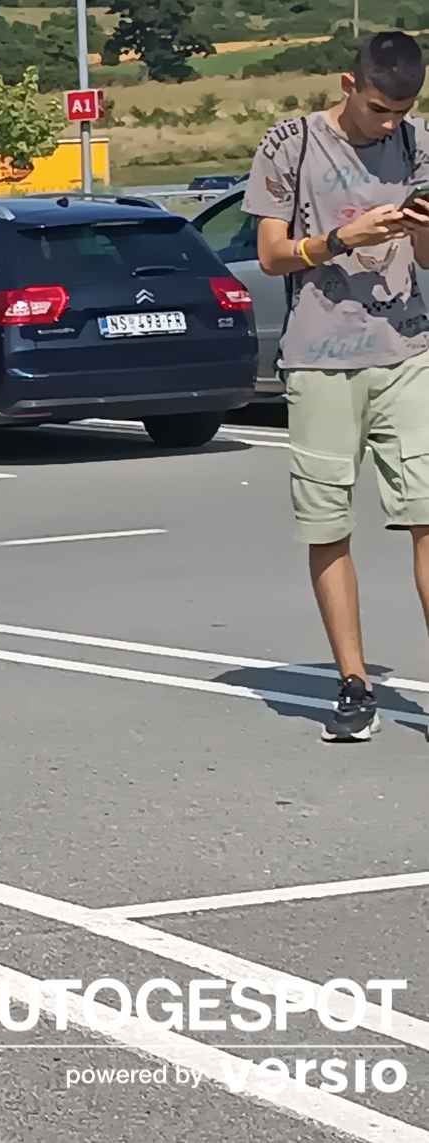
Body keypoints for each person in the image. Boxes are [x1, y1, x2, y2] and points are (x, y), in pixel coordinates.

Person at [248, 30, 429, 741]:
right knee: (329, 524)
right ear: (349, 85)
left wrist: (419, 230)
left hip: (407, 348)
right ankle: (353, 682)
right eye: (381, 109)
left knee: (426, 515)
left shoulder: (417, 144)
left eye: (403, 110)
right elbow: (268, 255)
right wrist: (339, 241)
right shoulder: (289, 143)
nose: (390, 124)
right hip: (320, 357)